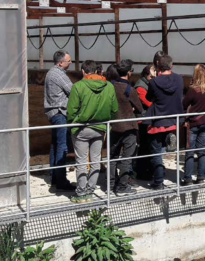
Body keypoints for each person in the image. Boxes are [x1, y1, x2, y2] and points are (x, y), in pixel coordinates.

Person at [67, 60, 118, 203]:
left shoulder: (78, 86)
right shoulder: (109, 86)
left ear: (83, 71)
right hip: (100, 128)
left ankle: (81, 194)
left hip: (81, 129)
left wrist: (73, 123)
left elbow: (71, 111)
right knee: (96, 160)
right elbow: (114, 110)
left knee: (81, 161)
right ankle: (90, 191)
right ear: (97, 71)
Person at [144, 54, 184, 190]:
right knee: (160, 149)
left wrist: (155, 78)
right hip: (174, 118)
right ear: (172, 66)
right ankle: (169, 138)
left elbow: (149, 97)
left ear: (158, 67)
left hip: (158, 119)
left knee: (156, 153)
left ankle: (158, 181)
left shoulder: (154, 82)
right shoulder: (179, 79)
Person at [109, 60, 143, 196]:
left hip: (114, 126)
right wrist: (132, 108)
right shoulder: (130, 90)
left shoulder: (110, 86)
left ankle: (111, 184)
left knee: (112, 157)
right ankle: (122, 186)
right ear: (129, 72)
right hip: (129, 127)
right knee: (126, 158)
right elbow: (139, 108)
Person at [43, 50, 75, 191]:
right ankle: (61, 181)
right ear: (61, 62)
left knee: (55, 145)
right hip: (60, 112)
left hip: (53, 113)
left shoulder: (51, 73)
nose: (71, 63)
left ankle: (55, 177)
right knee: (62, 146)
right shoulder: (59, 74)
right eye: (69, 61)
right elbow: (72, 90)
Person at [181, 64, 205, 185]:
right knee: (201, 151)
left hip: (194, 123)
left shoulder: (193, 90)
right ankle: (201, 177)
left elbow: (184, 104)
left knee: (190, 151)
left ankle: (188, 179)